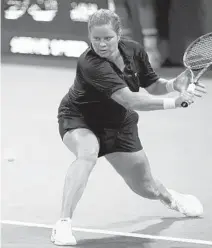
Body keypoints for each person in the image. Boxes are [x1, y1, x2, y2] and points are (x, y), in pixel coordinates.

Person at [51, 9, 206, 246]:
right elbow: (132, 100)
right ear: (90, 38)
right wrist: (175, 102)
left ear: (119, 35)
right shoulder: (90, 63)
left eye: (107, 38)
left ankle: (172, 198)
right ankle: (62, 224)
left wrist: (174, 84)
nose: (101, 44)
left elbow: (152, 85)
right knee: (87, 154)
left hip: (118, 124)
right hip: (80, 118)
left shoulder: (134, 50)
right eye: (96, 39)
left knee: (147, 188)